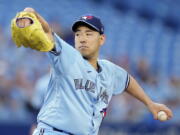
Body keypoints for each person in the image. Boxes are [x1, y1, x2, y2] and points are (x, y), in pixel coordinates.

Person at [16, 7, 173, 135]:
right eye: (78, 34)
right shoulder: (67, 57)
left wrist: (150, 103)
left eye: (89, 34)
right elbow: (48, 33)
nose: (82, 38)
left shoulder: (109, 70)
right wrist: (34, 15)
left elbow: (127, 81)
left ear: (101, 40)